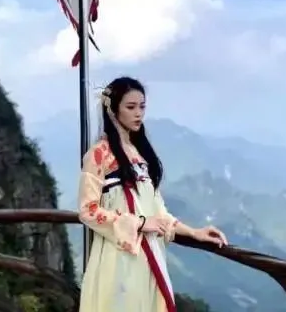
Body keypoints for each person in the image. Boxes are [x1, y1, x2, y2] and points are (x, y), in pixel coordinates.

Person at [78, 77, 228, 312]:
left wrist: (195, 232)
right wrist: (139, 223)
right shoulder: (98, 155)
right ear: (113, 110)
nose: (138, 113)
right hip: (119, 259)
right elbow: (88, 210)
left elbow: (158, 212)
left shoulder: (140, 154)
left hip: (149, 260)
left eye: (142, 106)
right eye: (131, 107)